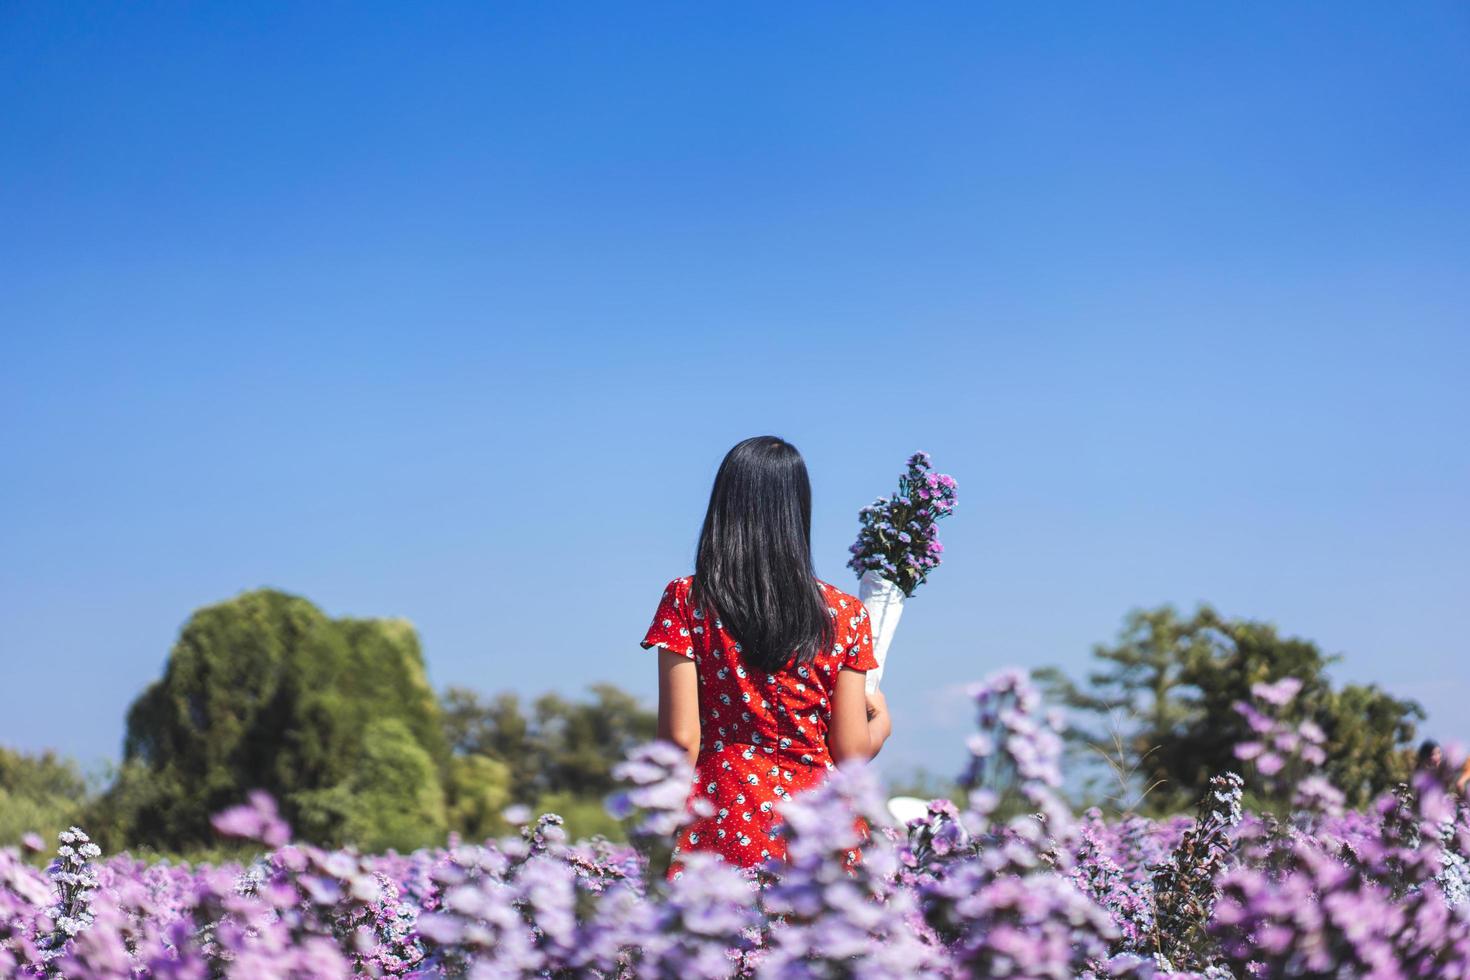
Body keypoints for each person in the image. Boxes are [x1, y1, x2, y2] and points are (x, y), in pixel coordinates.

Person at [640, 435, 892, 870]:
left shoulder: (687, 599)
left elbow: (681, 742)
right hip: (821, 830)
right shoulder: (847, 614)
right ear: (798, 510)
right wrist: (882, 725)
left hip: (720, 821)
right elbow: (849, 752)